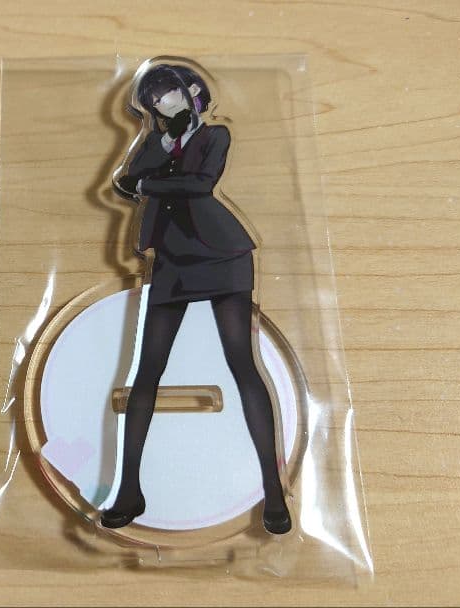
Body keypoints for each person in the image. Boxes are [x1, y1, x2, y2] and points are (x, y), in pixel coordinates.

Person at [101, 63, 291, 535]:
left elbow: (200, 184)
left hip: (220, 253)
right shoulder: (155, 141)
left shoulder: (216, 135)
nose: (161, 104)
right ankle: (129, 490)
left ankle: (274, 490)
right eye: (153, 100)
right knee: (147, 369)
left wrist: (148, 183)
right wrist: (160, 144)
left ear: (191, 92)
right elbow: (127, 180)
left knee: (242, 362)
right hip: (171, 259)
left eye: (167, 94)